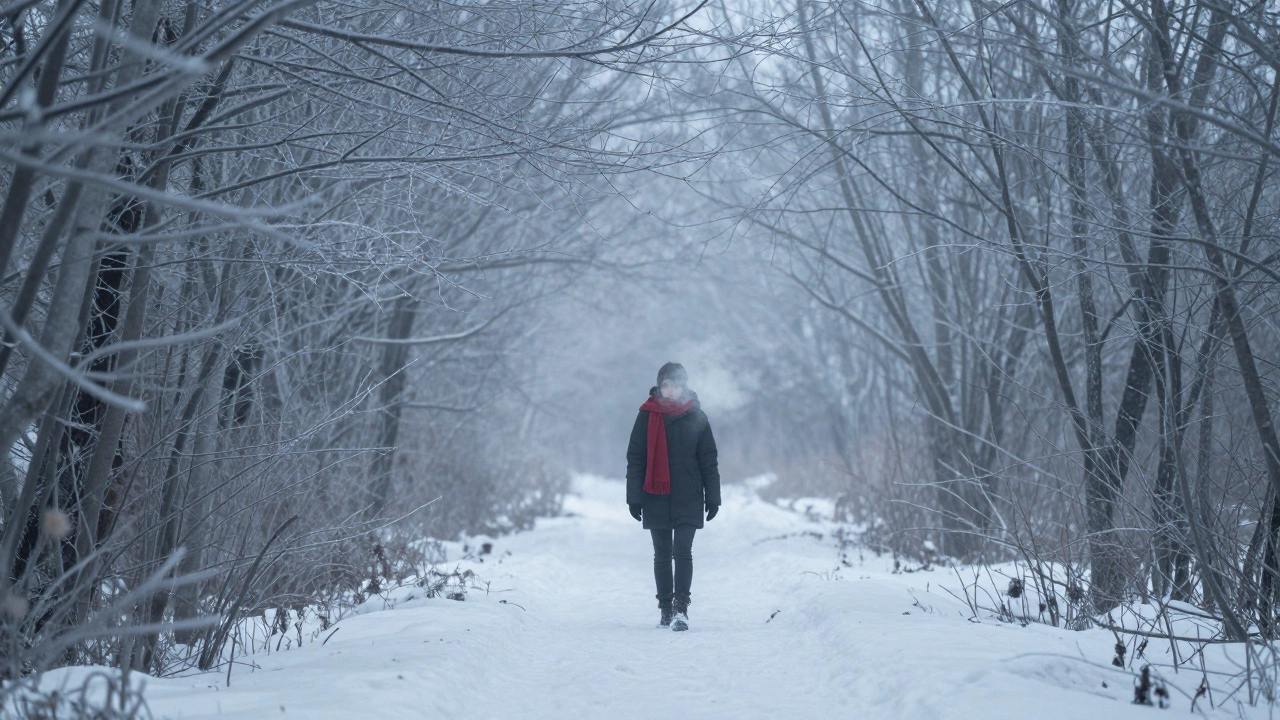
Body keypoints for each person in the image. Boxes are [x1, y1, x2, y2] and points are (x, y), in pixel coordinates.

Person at [626, 362, 720, 631]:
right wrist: (634, 497)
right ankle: (665, 609)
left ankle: (681, 609)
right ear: (659, 386)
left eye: (676, 385)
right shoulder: (646, 416)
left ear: (684, 387)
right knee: (662, 554)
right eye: (666, 385)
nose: (670, 390)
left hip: (689, 493)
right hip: (655, 494)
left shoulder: (697, 416)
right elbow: (636, 459)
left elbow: (708, 459)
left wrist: (713, 496)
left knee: (683, 551)